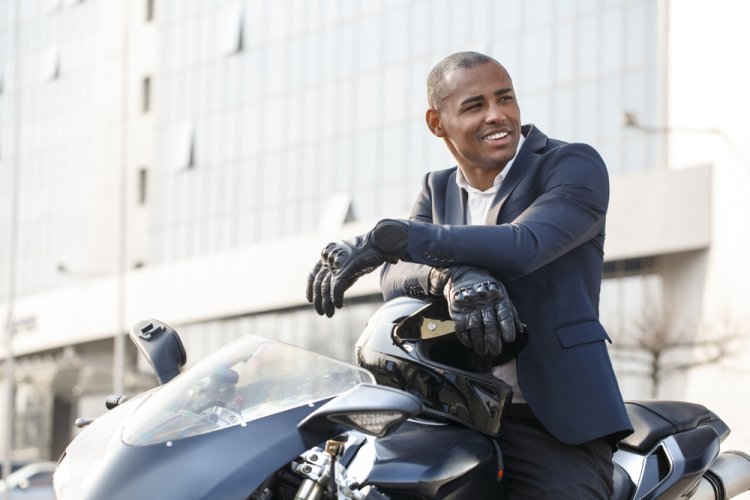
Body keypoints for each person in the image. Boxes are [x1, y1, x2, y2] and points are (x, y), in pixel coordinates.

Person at [307, 51, 632, 498]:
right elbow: (394, 274)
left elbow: (525, 244)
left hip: (553, 426)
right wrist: (452, 276)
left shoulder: (570, 165)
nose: (498, 115)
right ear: (437, 123)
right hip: (451, 417)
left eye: (505, 98)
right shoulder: (436, 188)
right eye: (475, 105)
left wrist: (402, 237)